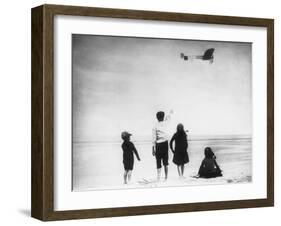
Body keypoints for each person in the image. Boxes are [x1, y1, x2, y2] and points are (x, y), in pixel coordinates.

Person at [152, 110, 172, 181]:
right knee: (166, 161)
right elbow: (168, 118)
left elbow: (154, 138)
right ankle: (166, 177)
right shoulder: (165, 123)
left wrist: (153, 149)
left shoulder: (155, 126)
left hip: (158, 145)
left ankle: (158, 177)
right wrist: (170, 113)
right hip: (165, 144)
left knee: (158, 161)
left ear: (157, 118)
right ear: (163, 117)